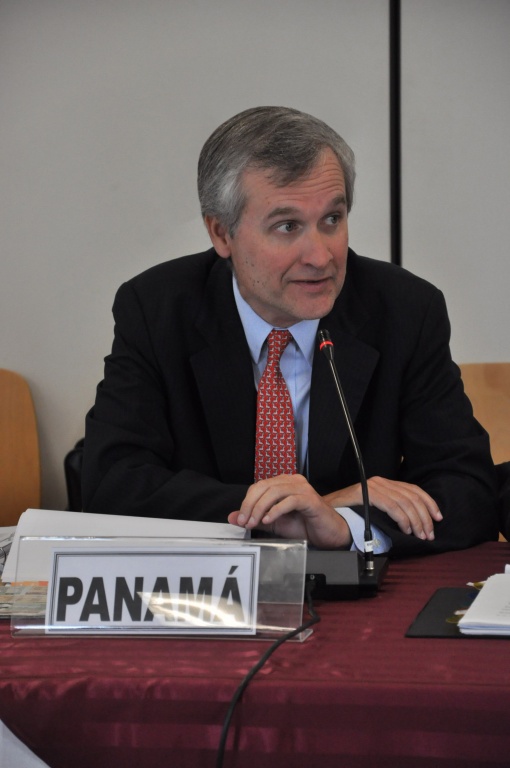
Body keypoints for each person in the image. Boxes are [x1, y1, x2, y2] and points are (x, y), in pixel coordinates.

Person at [82, 106, 499, 556]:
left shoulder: (404, 310)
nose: (320, 257)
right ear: (221, 234)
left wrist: (345, 525)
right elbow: (111, 485)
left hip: (357, 590)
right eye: (287, 226)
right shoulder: (157, 309)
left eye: (332, 219)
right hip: (208, 587)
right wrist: (299, 511)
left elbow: (470, 491)